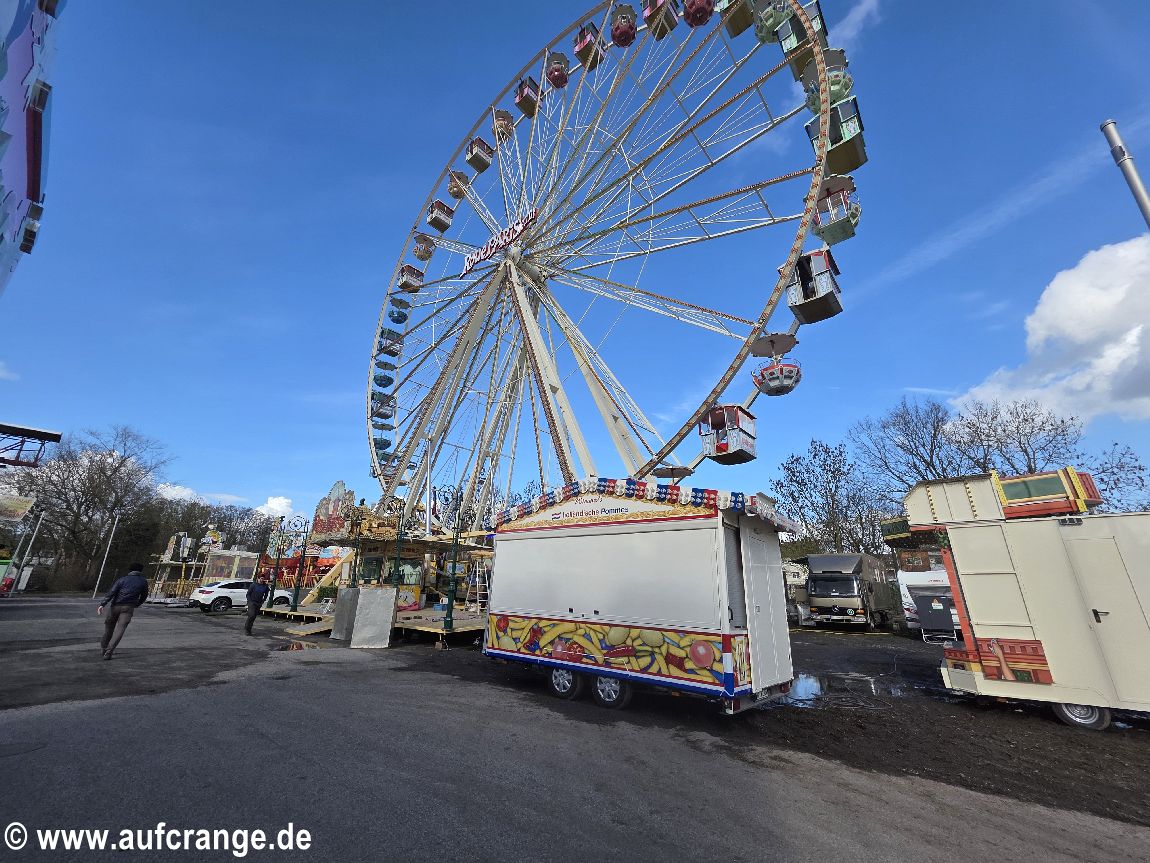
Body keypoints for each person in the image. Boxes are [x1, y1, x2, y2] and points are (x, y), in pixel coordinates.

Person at [97, 563, 149, 660]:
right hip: (128, 607)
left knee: (109, 628)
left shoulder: (122, 579)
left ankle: (103, 648)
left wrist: (102, 604)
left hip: (115, 606)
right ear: (141, 571)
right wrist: (137, 604)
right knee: (120, 629)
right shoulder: (143, 581)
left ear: (130, 570)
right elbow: (144, 595)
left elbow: (111, 592)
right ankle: (109, 651)